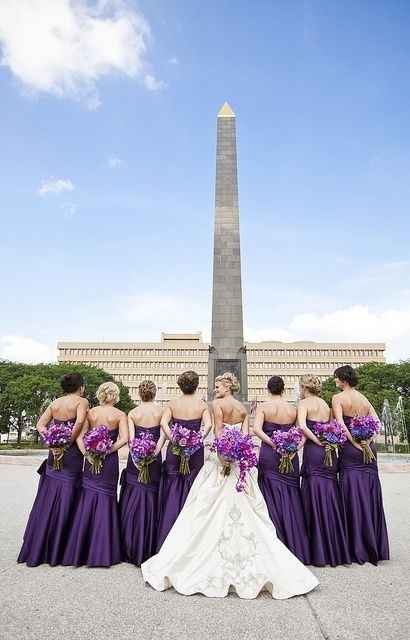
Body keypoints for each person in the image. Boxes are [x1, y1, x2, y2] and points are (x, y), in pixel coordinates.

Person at [141, 372, 318, 599]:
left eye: (218, 384)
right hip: (238, 464)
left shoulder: (217, 405)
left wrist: (224, 458)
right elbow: (244, 438)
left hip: (222, 460)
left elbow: (218, 432)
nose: (215, 388)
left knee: (205, 507)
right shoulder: (242, 409)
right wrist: (238, 457)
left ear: (228, 386)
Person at [18, 373, 89, 566]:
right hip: (71, 454)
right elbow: (80, 422)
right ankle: (61, 547)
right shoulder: (81, 402)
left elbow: (40, 424)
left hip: (54, 453)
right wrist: (67, 442)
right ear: (80, 387)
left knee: (49, 497)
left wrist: (52, 442)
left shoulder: (55, 403)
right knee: (69, 495)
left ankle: (40, 544)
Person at [62, 382, 128, 567]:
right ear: (114, 396)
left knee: (88, 497)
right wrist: (107, 451)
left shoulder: (90, 413)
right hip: (109, 461)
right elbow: (124, 439)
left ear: (100, 394)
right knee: (107, 498)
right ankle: (105, 549)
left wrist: (88, 455)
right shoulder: (120, 415)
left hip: (90, 461)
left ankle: (80, 549)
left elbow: (80, 437)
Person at [332, 365, 389, 565]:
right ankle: (374, 545)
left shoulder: (338, 398)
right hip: (369, 449)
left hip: (350, 449)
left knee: (352, 493)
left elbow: (340, 424)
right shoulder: (363, 398)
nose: (335, 381)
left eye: (337, 378)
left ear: (343, 379)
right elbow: (378, 422)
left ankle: (356, 547)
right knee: (369, 492)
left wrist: (354, 443)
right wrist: (368, 441)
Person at [253, 375, 310, 564]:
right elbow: (301, 433)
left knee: (268, 494)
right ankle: (295, 543)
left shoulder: (263, 407)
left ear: (268, 389)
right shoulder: (292, 409)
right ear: (283, 389)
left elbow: (257, 430)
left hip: (270, 454)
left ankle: (273, 542)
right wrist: (293, 449)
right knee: (291, 494)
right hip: (290, 457)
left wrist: (274, 444)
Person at [156, 370, 212, 551]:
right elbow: (209, 425)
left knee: (174, 484)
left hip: (175, 449)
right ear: (196, 385)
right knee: (193, 485)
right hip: (195, 451)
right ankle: (192, 538)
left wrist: (174, 439)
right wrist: (197, 439)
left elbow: (164, 424)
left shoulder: (172, 404)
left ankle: (168, 533)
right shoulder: (202, 405)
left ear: (180, 385)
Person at [298, 374, 350, 567]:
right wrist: (326, 441)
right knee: (329, 493)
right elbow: (331, 427)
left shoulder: (304, 404)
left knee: (313, 493)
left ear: (304, 387)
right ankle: (333, 548)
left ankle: (316, 549)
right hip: (329, 452)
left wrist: (315, 440)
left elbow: (302, 426)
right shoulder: (326, 405)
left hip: (314, 450)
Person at [119, 380, 166, 565]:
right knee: (152, 495)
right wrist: (155, 453)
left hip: (136, 458)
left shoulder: (133, 413)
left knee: (133, 494)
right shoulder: (161, 412)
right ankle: (149, 543)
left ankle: (129, 542)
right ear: (154, 393)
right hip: (154, 457)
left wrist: (137, 457)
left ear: (139, 394)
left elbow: (131, 439)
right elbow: (163, 435)